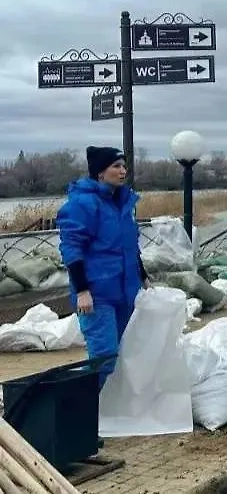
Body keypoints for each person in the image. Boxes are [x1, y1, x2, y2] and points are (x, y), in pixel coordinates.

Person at [57, 146, 150, 387]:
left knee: (122, 353)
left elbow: (130, 245)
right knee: (104, 357)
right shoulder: (83, 205)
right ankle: (76, 410)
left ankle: (108, 410)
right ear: (100, 172)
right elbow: (72, 249)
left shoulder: (123, 202)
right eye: (116, 166)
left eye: (124, 166)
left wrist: (144, 277)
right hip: (97, 294)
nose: (123, 171)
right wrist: (82, 290)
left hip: (126, 291)